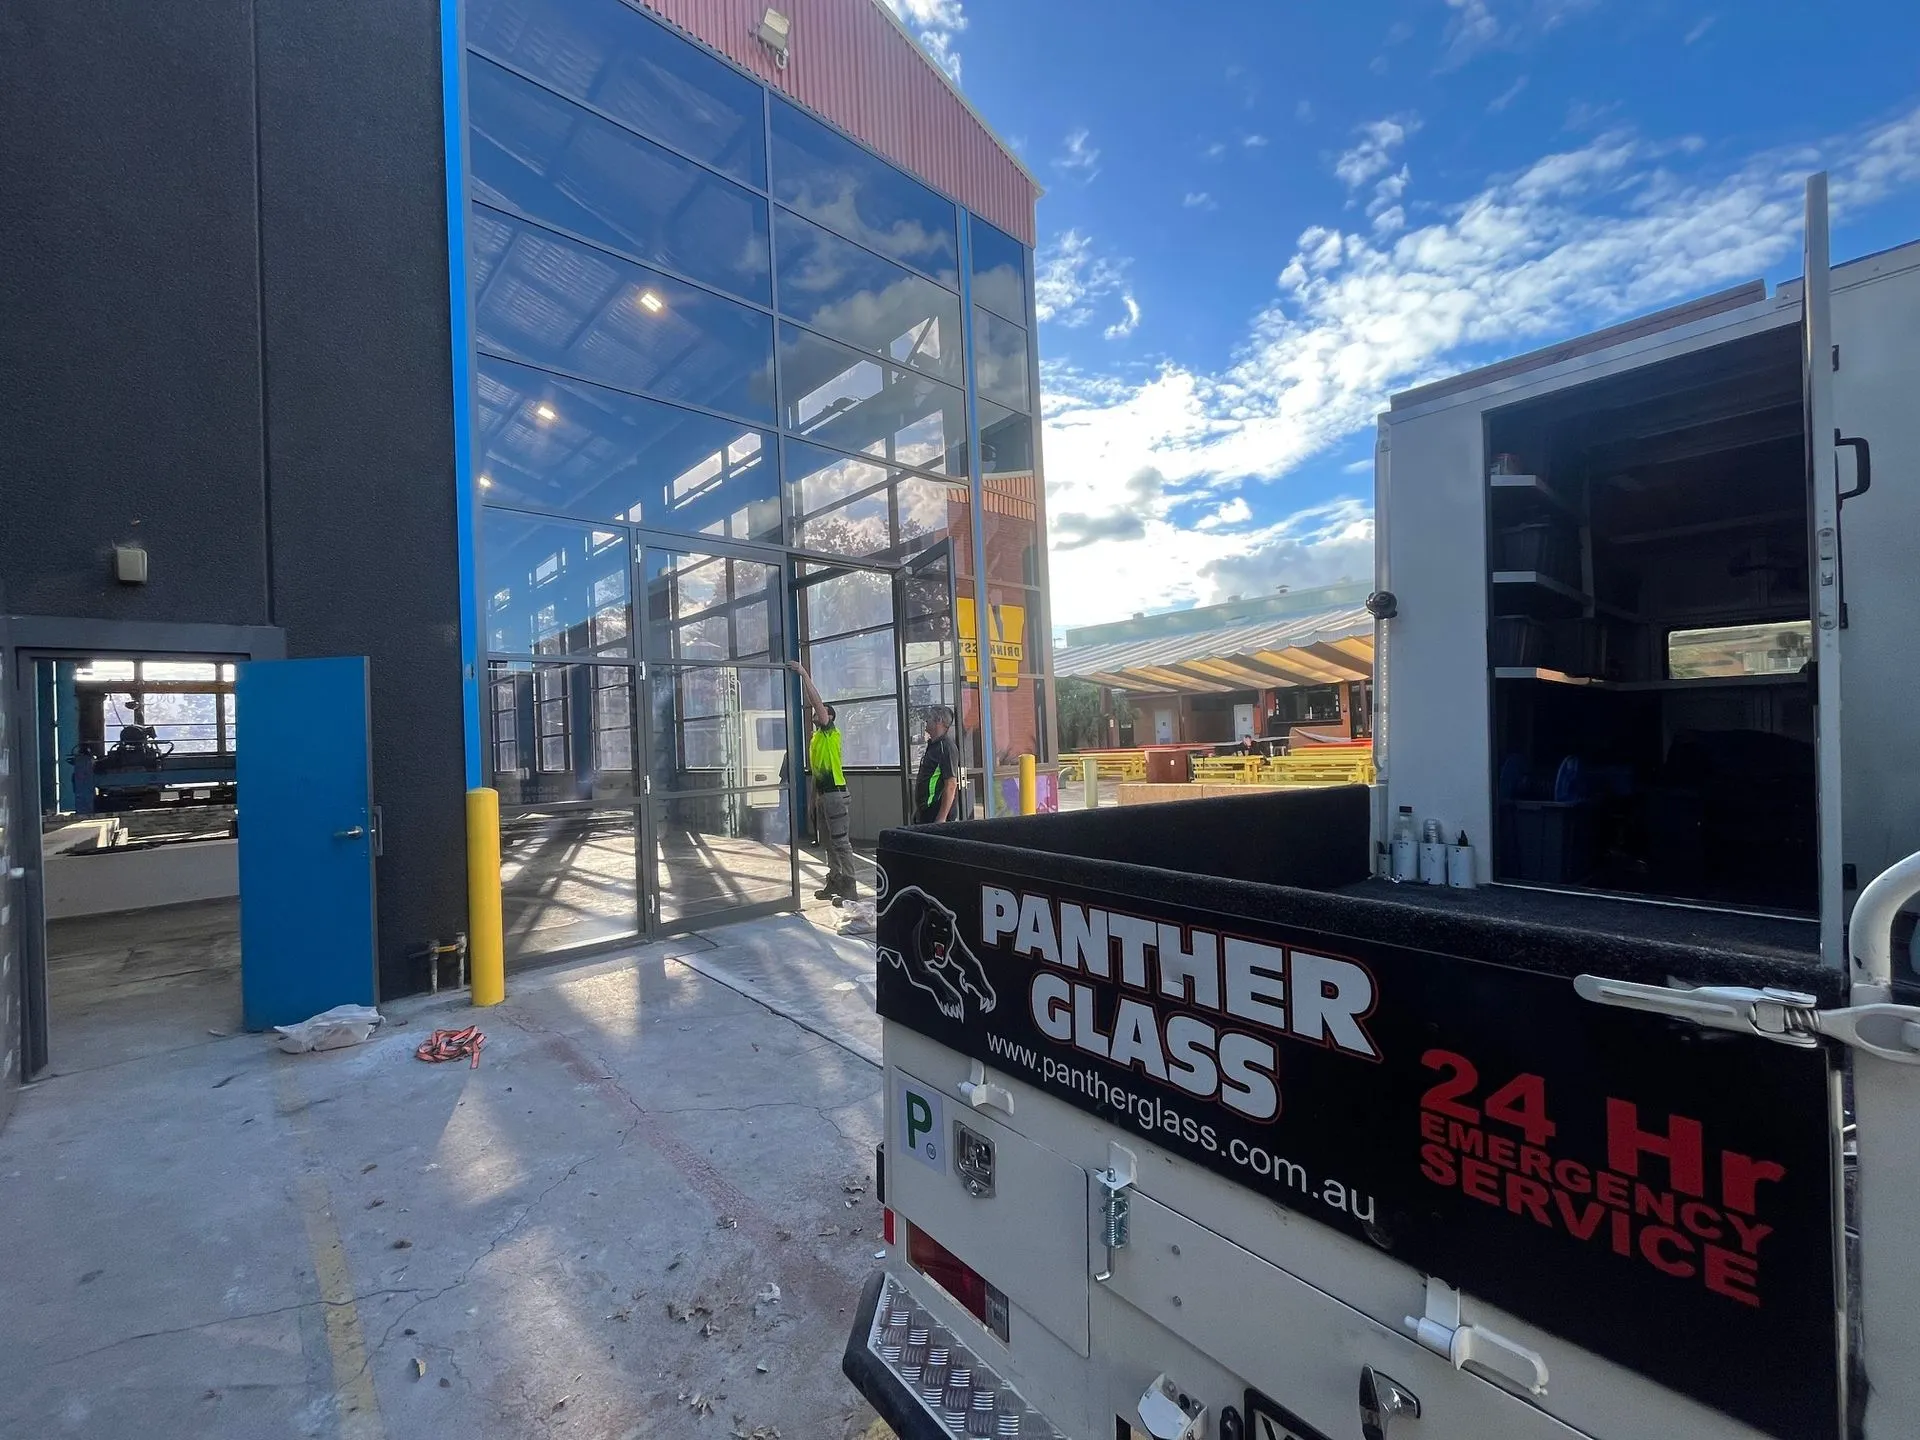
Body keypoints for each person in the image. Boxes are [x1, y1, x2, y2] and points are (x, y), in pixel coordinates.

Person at [789, 660, 858, 903]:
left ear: (828, 716)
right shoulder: (817, 738)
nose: (817, 713)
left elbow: (816, 702)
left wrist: (803, 674)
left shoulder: (830, 733)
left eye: (822, 711)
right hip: (824, 796)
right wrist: (812, 801)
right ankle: (835, 881)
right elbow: (817, 774)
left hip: (836, 795)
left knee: (841, 843)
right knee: (829, 845)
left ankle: (850, 885)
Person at [913, 705, 962, 826]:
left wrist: (941, 818)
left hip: (936, 813)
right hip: (925, 811)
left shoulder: (946, 747)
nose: (926, 721)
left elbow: (950, 784)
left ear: (939, 721)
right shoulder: (933, 745)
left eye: (929, 717)